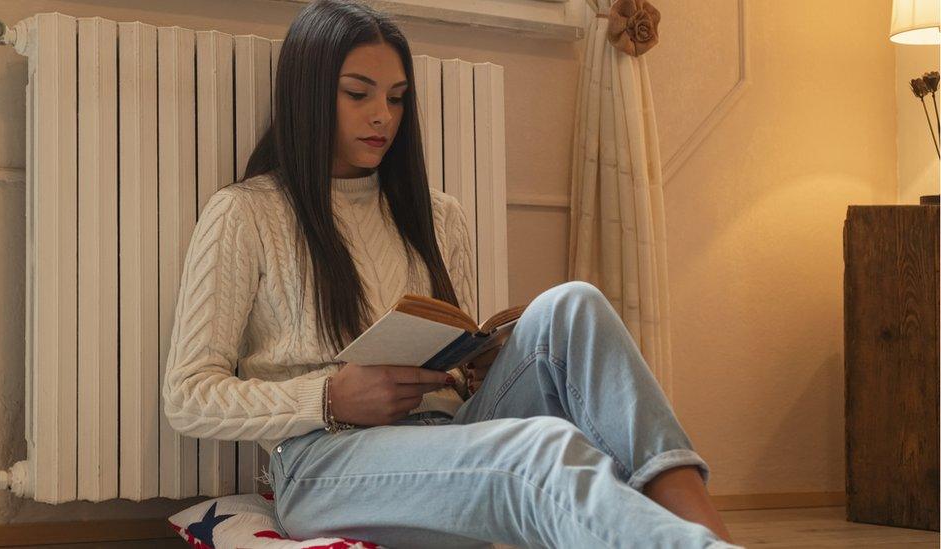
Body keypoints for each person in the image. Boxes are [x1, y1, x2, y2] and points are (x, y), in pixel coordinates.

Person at [162, 0, 740, 547]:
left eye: (396, 97)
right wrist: (328, 397)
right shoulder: (246, 213)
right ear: (308, 95)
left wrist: (476, 368)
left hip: (445, 436)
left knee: (574, 305)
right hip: (323, 464)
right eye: (357, 94)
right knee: (540, 449)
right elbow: (186, 397)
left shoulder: (438, 215)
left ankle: (708, 535)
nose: (381, 116)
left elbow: (455, 377)